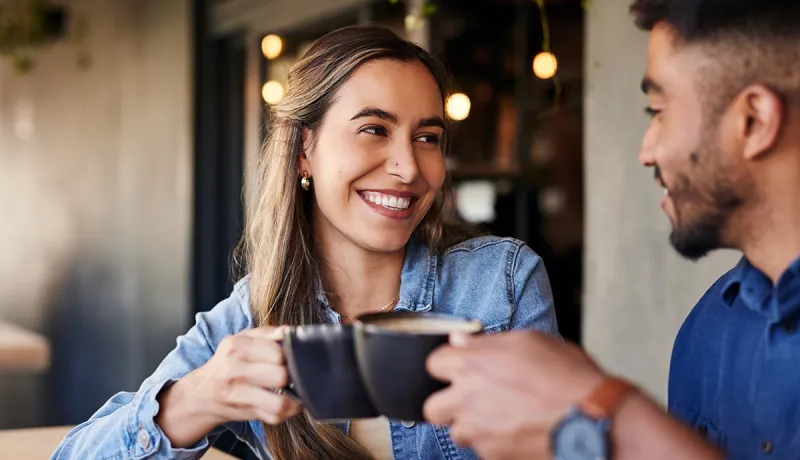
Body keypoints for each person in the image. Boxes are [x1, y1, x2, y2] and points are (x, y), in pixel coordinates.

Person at [51, 26, 558, 460]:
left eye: (427, 137)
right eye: (374, 129)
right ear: (303, 153)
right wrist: (195, 399)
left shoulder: (502, 283)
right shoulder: (252, 315)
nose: (408, 167)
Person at [423, 0, 800, 459]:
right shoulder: (707, 332)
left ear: (752, 121)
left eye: (658, 112)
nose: (647, 150)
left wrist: (608, 413)